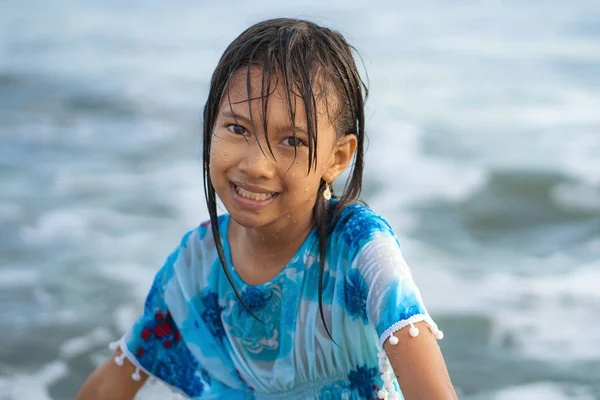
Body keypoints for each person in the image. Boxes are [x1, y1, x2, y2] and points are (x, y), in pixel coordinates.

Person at [76, 17, 457, 400]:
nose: (256, 165)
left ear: (337, 158)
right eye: (238, 129)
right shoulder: (195, 265)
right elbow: (107, 388)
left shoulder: (358, 249)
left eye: (292, 140)